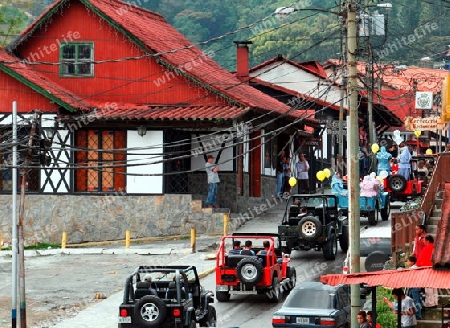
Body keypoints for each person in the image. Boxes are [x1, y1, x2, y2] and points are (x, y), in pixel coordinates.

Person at [416, 234, 438, 308]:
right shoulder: (436, 248)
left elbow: (421, 258)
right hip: (435, 268)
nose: (423, 241)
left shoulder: (426, 248)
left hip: (427, 268)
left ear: (427, 241)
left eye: (424, 240)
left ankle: (430, 303)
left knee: (428, 286)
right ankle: (435, 301)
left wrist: (417, 265)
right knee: (434, 286)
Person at [405, 255, 423, 320]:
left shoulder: (413, 269)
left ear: (412, 262)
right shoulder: (416, 268)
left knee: (416, 301)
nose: (407, 262)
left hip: (414, 287)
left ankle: (418, 315)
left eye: (408, 261)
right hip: (416, 286)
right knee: (417, 301)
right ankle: (417, 314)